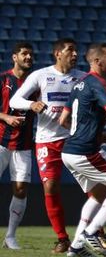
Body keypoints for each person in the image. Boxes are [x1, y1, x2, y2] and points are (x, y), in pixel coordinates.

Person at [9, 38, 86, 253]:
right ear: (57, 54)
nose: (75, 55)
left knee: (91, 184)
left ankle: (95, 231)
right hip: (47, 141)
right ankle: (62, 239)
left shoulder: (82, 78)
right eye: (70, 50)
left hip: (74, 138)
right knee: (50, 186)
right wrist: (32, 104)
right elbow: (15, 100)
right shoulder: (41, 75)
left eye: (76, 50)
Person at [58, 43, 106, 257]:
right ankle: (91, 232)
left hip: (69, 152)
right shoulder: (98, 82)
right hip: (85, 152)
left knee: (99, 193)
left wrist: (97, 134)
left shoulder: (79, 84)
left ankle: (76, 248)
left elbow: (64, 120)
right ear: (97, 61)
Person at [0, 42, 35, 249]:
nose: (28, 57)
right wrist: (5, 118)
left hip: (23, 145)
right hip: (1, 142)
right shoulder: (3, 79)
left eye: (30, 54)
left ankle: (10, 237)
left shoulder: (36, 83)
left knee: (21, 190)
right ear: (15, 57)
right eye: (24, 54)